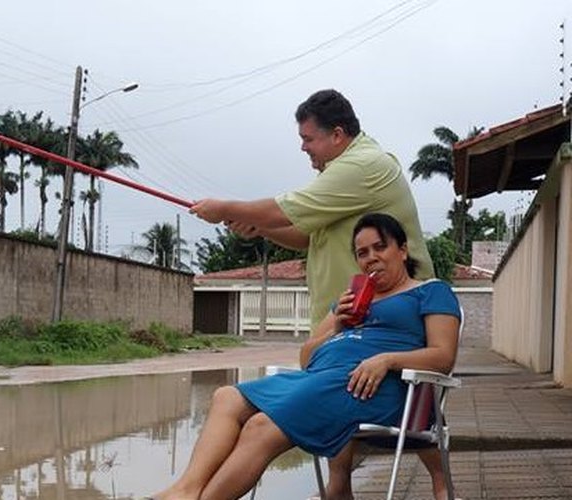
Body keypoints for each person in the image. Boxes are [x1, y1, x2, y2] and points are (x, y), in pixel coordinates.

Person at [190, 89, 440, 496]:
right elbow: (304, 233)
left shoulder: (364, 165)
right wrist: (260, 227)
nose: (303, 147)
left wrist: (226, 207)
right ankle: (333, 487)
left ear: (337, 134)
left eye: (308, 138)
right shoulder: (338, 179)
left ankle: (438, 483)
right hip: (346, 317)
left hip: (391, 320)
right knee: (241, 401)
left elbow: (287, 208)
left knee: (408, 397)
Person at [149, 213, 461, 500]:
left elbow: (443, 356)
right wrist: (339, 323)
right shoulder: (349, 301)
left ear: (403, 250)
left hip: (371, 387)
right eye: (362, 253)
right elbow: (307, 356)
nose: (371, 258)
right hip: (320, 379)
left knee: (261, 427)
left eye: (380, 247)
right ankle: (186, 489)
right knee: (226, 396)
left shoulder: (430, 291)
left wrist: (387, 360)